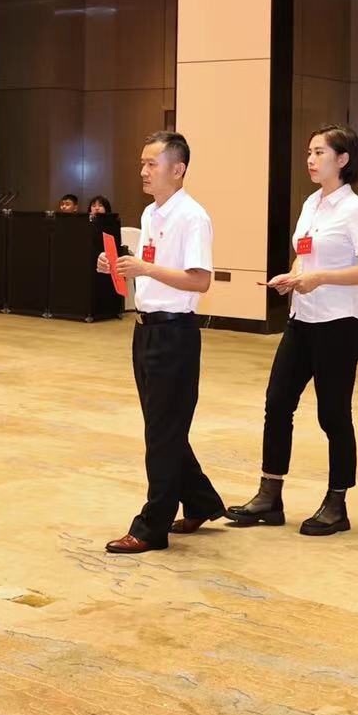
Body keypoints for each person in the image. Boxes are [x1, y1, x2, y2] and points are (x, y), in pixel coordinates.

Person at [234, 125, 358, 536]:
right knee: (277, 402)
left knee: (333, 413)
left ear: (343, 159)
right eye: (309, 152)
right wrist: (294, 275)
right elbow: (305, 257)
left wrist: (321, 279)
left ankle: (337, 503)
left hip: (340, 323)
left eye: (319, 152)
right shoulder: (311, 204)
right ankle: (269, 495)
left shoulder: (357, 210)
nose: (311, 160)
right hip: (302, 319)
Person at [97, 131, 227, 553]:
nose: (143, 171)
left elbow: (199, 280)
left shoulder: (192, 217)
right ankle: (202, 501)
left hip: (175, 333)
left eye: (152, 163)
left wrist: (145, 270)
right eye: (142, 163)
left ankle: (152, 526)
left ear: (178, 169)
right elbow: (148, 266)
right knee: (162, 427)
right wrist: (117, 266)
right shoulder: (151, 213)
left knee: (162, 433)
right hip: (146, 329)